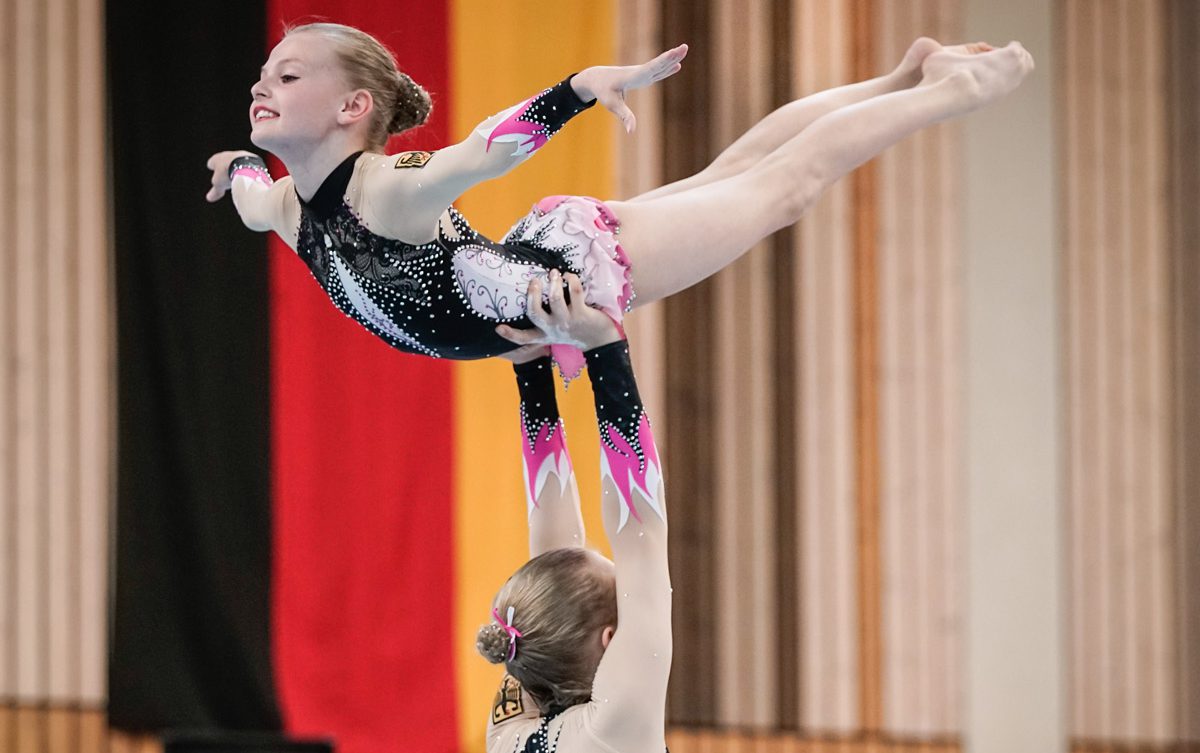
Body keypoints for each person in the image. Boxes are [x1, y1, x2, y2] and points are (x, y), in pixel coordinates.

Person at [206, 22, 1032, 377]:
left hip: (573, 272)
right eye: (260, 76)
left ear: (354, 110)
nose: (259, 84)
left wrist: (573, 90)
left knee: (782, 188)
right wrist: (236, 160)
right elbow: (248, 184)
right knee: (732, 174)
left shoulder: (383, 191)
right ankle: (899, 75)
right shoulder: (281, 208)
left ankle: (953, 92)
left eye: (288, 75)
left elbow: (484, 152)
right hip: (548, 271)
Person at [476, 271, 670, 753]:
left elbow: (629, 543)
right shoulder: (614, 725)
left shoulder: (523, 732)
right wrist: (595, 348)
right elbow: (632, 536)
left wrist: (550, 362)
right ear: (610, 641)